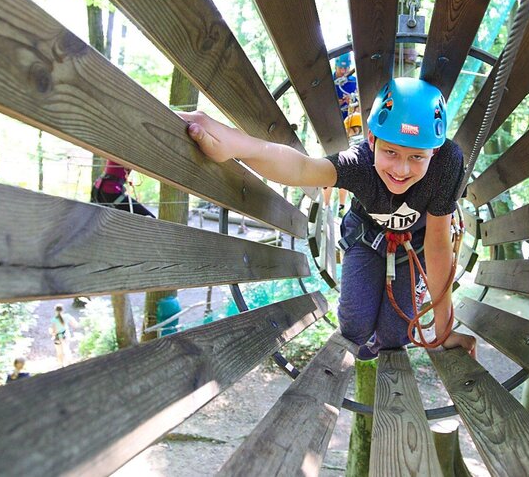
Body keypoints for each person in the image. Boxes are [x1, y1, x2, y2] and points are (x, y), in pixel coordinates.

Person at [181, 77, 476, 360]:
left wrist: (444, 330)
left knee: (395, 336)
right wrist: (237, 146)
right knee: (355, 328)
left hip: (415, 245)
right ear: (372, 139)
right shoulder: (360, 164)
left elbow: (439, 245)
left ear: (434, 151)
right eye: (390, 151)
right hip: (367, 237)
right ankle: (364, 335)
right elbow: (301, 169)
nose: (401, 169)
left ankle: (383, 340)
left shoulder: (447, 163)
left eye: (416, 157)